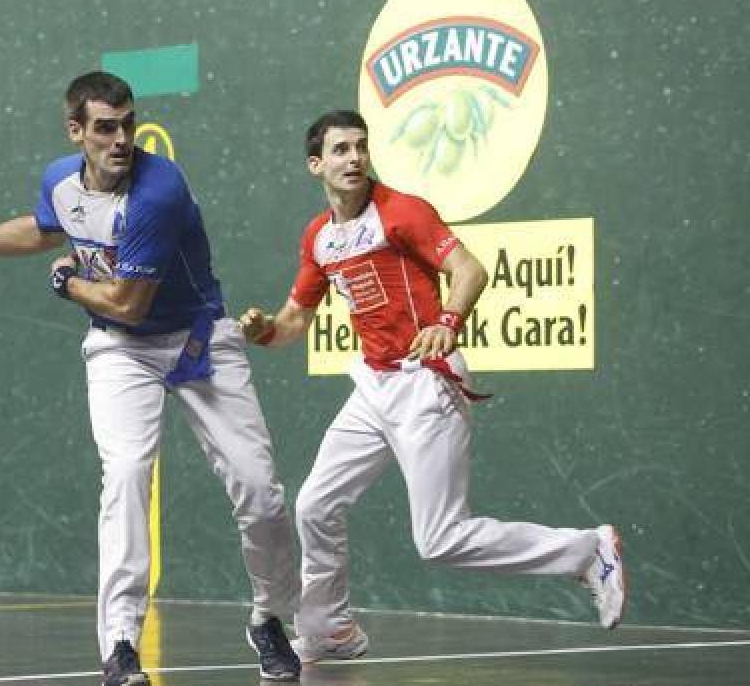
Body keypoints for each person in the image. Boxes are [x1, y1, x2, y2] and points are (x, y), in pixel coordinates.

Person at [0, 72, 303, 685]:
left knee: (260, 490)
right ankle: (120, 644)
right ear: (77, 131)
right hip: (121, 352)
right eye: (106, 128)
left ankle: (270, 617)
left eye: (128, 125)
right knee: (126, 475)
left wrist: (67, 282)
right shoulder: (60, 180)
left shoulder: (159, 190)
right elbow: (44, 229)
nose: (121, 139)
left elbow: (127, 303)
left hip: (196, 338)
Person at [238, 109, 627, 665]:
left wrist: (447, 321)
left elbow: (470, 270)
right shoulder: (319, 238)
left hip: (427, 382)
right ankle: (329, 631)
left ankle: (588, 551)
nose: (355, 158)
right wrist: (263, 331)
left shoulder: (402, 211)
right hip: (374, 387)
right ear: (315, 165)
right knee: (316, 504)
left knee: (440, 538)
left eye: (361, 147)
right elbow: (294, 319)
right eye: (341, 150)